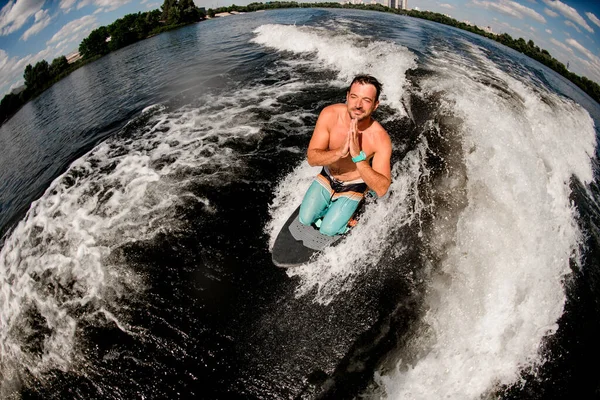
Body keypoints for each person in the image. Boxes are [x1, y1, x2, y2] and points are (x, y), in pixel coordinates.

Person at [298, 74, 392, 236]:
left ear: (376, 105)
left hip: (354, 185)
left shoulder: (380, 138)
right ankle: (330, 208)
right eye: (354, 97)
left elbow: (382, 189)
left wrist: (357, 157)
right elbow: (312, 159)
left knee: (328, 230)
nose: (358, 105)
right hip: (327, 177)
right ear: (347, 96)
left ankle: (357, 207)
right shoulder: (329, 115)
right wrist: (339, 152)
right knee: (304, 219)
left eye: (366, 100)